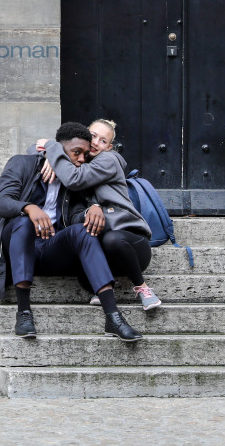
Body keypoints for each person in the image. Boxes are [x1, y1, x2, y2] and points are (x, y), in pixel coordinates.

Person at [0, 122, 144, 342]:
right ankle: (23, 312)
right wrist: (29, 208)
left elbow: (76, 213)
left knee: (83, 231)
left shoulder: (73, 182)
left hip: (52, 248)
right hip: (21, 245)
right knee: (24, 223)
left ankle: (113, 317)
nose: (80, 159)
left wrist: (91, 210)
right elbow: (1, 203)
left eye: (85, 155)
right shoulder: (21, 163)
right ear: (59, 149)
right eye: (76, 153)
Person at [37, 119, 162, 311]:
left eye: (103, 141)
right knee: (81, 257)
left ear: (109, 147)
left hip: (130, 243)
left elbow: (74, 179)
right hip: (101, 248)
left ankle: (142, 287)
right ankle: (105, 286)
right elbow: (31, 149)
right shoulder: (76, 161)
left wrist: (53, 150)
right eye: (93, 136)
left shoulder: (108, 160)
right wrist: (49, 155)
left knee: (112, 239)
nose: (95, 143)